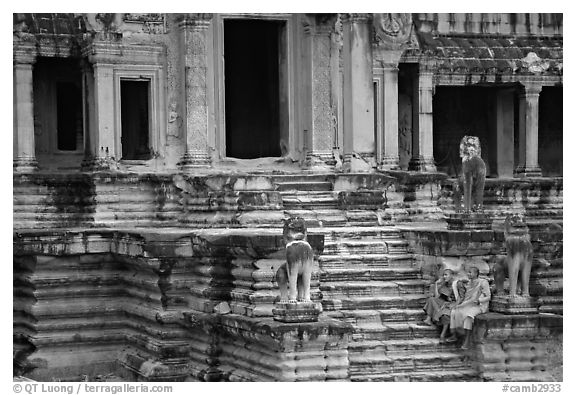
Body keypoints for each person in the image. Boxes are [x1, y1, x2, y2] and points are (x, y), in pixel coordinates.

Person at [447, 266, 491, 349]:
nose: (468, 274)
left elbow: (488, 297)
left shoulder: (483, 282)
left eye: (470, 272)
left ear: (476, 274)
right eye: (468, 272)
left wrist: (479, 300)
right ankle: (454, 335)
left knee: (468, 316)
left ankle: (467, 340)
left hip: (480, 306)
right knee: (454, 311)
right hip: (469, 304)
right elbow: (468, 297)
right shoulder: (469, 283)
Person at [421, 268, 459, 342]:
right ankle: (428, 319)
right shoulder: (445, 284)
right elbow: (437, 296)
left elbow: (454, 298)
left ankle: (442, 335)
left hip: (452, 304)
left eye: (446, 275)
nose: (444, 277)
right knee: (431, 299)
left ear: (451, 275)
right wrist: (436, 284)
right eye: (444, 275)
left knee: (444, 314)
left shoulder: (455, 284)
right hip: (443, 302)